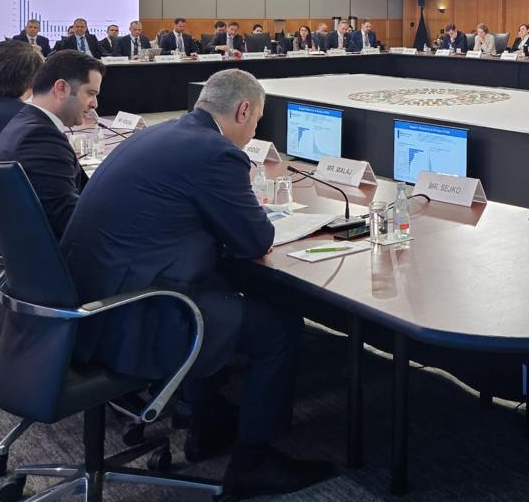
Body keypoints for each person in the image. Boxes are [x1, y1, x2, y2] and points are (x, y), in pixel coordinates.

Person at [60, 70, 335, 496]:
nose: (254, 130)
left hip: (90, 298)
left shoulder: (162, 133)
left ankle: (207, 423)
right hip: (134, 312)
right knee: (278, 328)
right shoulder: (216, 152)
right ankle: (252, 464)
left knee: (223, 290)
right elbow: (254, 240)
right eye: (257, 121)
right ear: (243, 111)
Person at [0, 50, 101, 238]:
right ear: (61, 88)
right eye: (90, 93)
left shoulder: (25, 121)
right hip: (59, 250)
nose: (94, 104)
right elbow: (69, 221)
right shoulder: (40, 138)